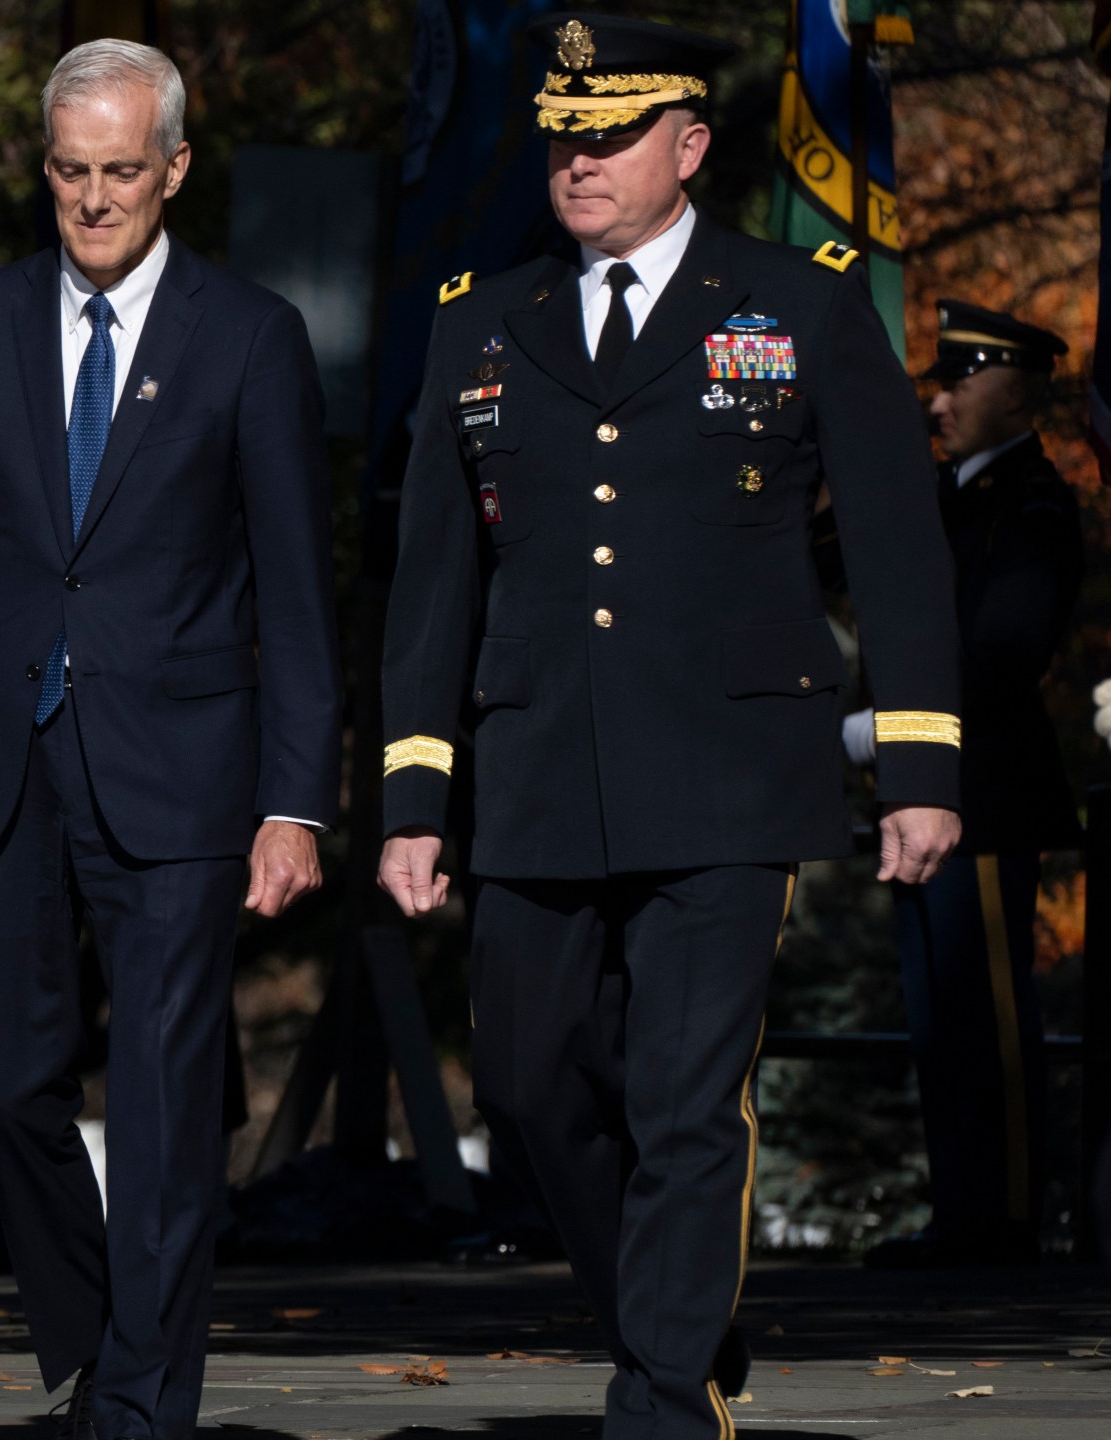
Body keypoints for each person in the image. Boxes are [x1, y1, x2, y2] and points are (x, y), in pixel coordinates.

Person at [376, 16, 964, 1439]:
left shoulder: (800, 303)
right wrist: (412, 796)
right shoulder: (481, 318)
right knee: (522, 1084)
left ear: (688, 146)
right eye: (563, 134)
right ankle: (674, 1312)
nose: (575, 158)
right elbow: (432, 585)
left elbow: (895, 543)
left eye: (610, 133)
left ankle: (658, 1394)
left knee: (689, 1102)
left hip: (727, 770)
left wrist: (923, 765)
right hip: (533, 772)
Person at [0, 38, 341, 1440]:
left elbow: (299, 596)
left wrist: (296, 800)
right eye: (70, 171)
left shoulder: (248, 336)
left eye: (121, 171)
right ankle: (97, 1338)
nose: (93, 198)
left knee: (167, 1099)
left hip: (183, 774)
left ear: (174, 168)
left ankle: (140, 1407)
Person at [855, 302, 1080, 1269]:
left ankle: (1007, 1219)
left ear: (1018, 390)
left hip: (982, 789)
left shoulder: (1030, 502)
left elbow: (1003, 649)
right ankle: (965, 1214)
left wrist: (891, 725)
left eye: (960, 382)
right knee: (939, 1018)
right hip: (927, 783)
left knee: (985, 1017)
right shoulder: (943, 496)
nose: (939, 403)